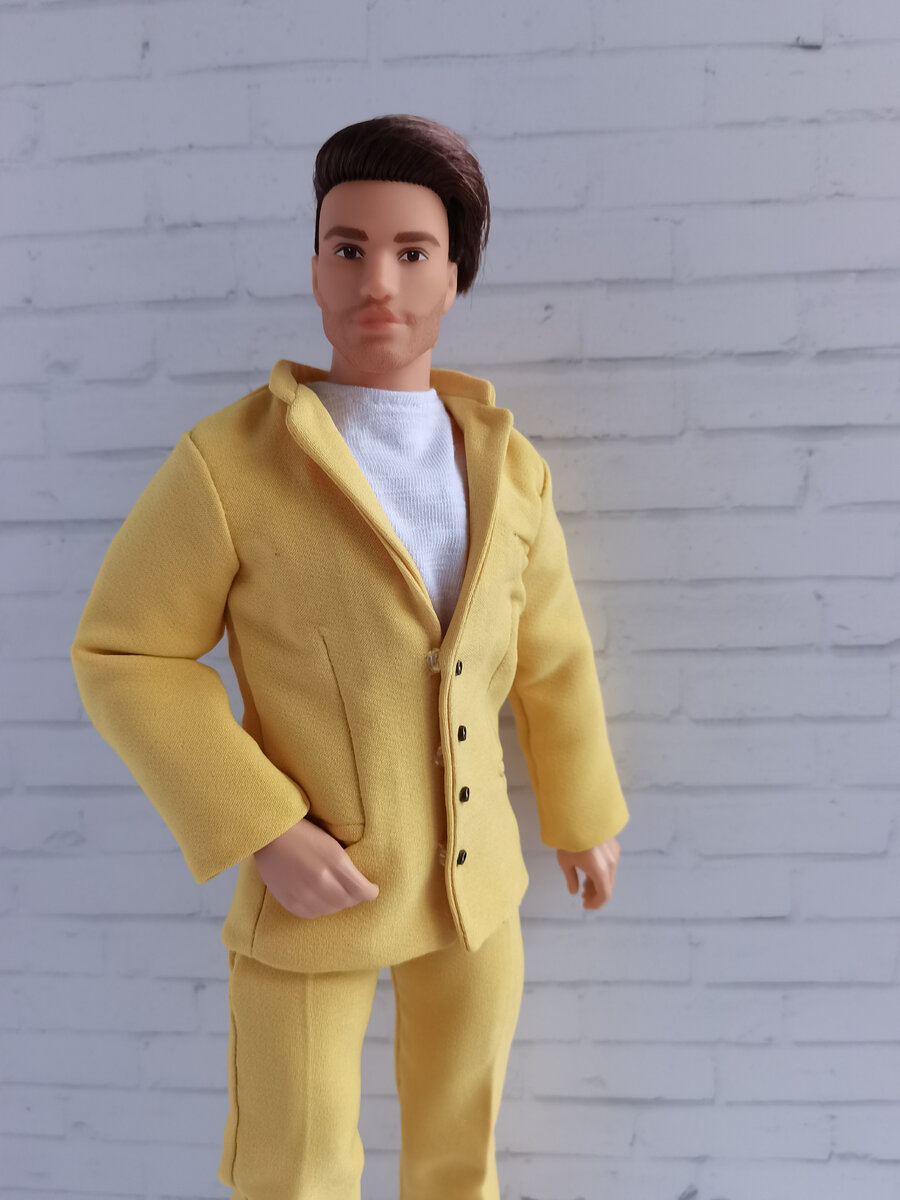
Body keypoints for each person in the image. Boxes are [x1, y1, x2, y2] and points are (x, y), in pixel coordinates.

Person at [70, 113, 630, 1200]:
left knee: (459, 1152)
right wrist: (263, 824)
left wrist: (581, 814)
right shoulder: (233, 463)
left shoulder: (507, 469)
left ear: (456, 274)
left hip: (474, 885)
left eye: (413, 252)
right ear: (316, 263)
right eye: (348, 247)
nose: (378, 281)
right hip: (318, 883)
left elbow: (552, 658)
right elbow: (126, 652)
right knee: (294, 1160)